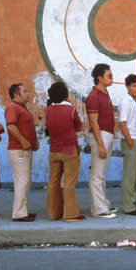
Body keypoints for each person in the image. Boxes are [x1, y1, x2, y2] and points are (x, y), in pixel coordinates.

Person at [45, 82, 84, 222]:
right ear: (65, 94)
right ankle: (71, 214)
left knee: (53, 182)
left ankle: (53, 213)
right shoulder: (71, 110)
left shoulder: (48, 110)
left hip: (54, 149)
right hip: (69, 149)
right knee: (69, 183)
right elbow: (79, 126)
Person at [86, 63, 117, 219]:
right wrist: (100, 145)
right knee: (97, 174)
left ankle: (104, 204)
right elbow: (94, 123)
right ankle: (99, 210)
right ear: (100, 78)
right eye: (109, 76)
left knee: (102, 173)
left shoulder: (105, 93)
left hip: (107, 134)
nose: (112, 78)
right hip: (100, 136)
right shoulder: (93, 97)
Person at [5, 83, 39, 222]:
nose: (28, 93)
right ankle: (19, 213)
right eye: (24, 91)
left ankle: (22, 210)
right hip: (18, 150)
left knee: (25, 181)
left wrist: (34, 141)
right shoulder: (13, 107)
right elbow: (11, 126)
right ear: (16, 95)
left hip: (24, 149)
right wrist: (24, 141)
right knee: (22, 181)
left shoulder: (22, 108)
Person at [118, 74, 136, 215]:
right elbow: (122, 123)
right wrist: (129, 140)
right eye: (134, 86)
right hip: (131, 140)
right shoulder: (125, 102)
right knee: (129, 174)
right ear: (127, 87)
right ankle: (128, 206)